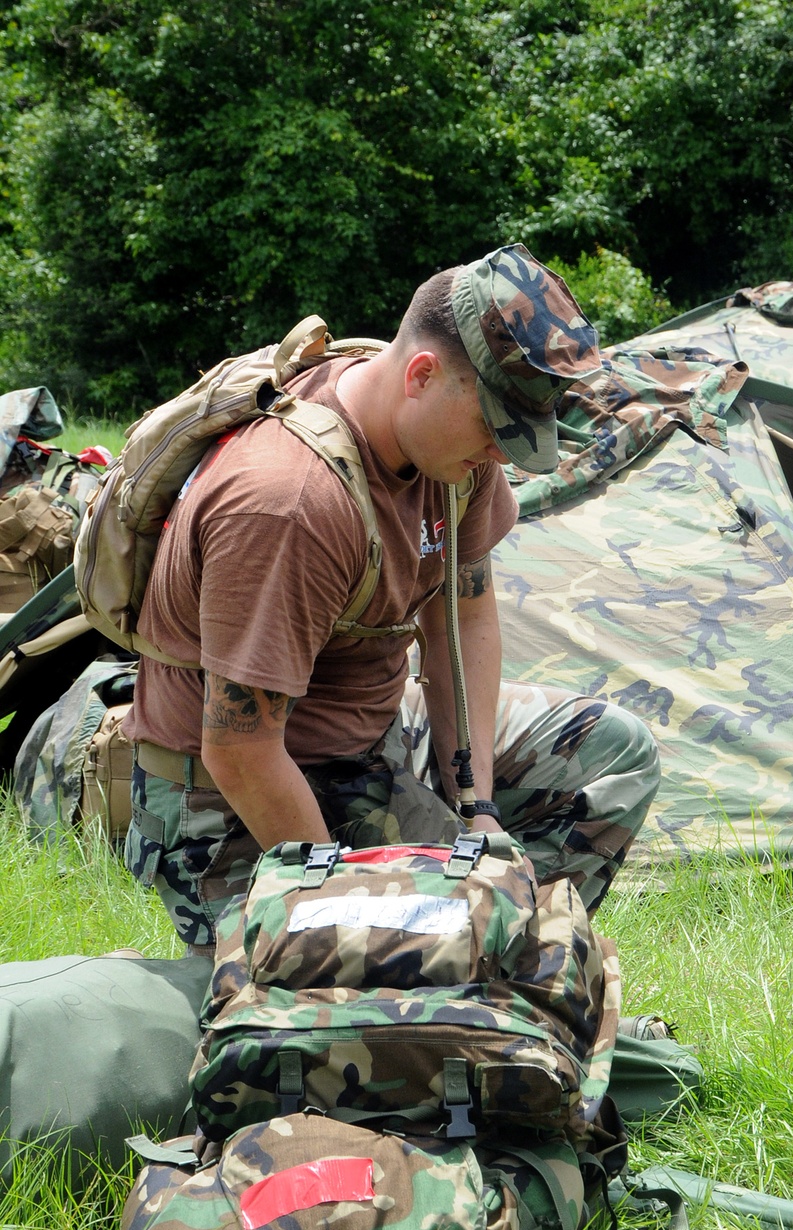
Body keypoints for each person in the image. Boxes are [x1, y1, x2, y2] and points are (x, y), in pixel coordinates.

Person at [122, 244, 660, 952]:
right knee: (387, 980)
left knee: (614, 749)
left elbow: (463, 612)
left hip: (370, 736)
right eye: (495, 430)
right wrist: (344, 913)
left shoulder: (451, 448)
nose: (502, 456)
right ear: (421, 375)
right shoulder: (288, 503)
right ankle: (464, 954)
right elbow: (241, 752)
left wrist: (477, 809)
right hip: (229, 801)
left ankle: (500, 943)